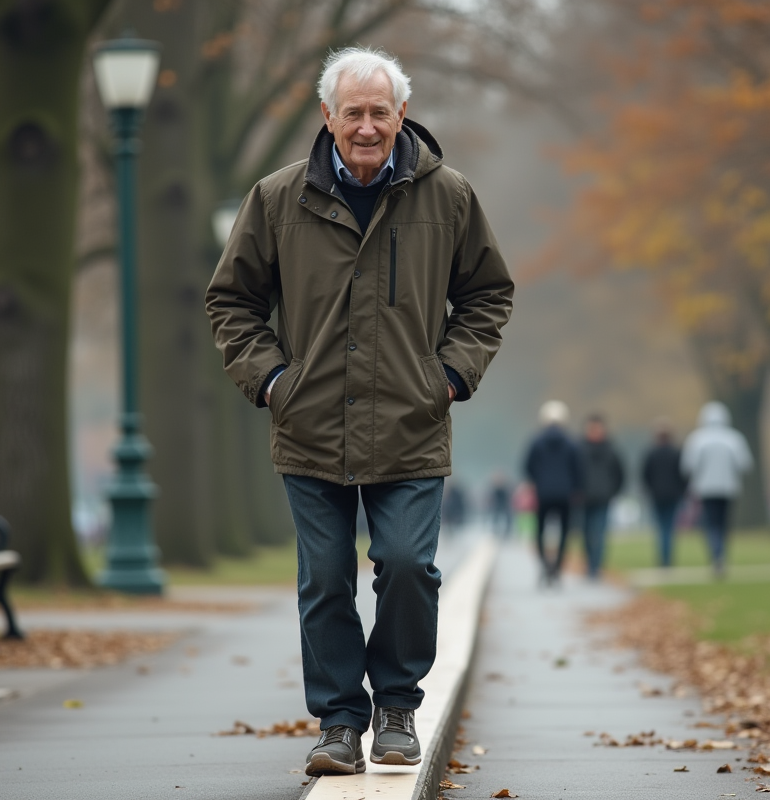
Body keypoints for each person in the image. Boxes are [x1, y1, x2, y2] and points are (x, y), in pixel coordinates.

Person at [205, 48, 513, 777]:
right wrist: (274, 380)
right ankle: (340, 724)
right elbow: (232, 300)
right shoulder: (278, 199)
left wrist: (449, 376)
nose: (367, 127)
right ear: (328, 117)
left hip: (411, 423)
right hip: (309, 426)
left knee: (407, 566)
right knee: (326, 579)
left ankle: (397, 707)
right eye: (354, 113)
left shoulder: (451, 197)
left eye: (380, 112)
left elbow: (488, 296)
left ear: (401, 113)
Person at [680, 401, 753, 578]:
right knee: (724, 522)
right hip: (729, 488)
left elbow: (687, 465)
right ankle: (721, 555)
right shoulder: (734, 438)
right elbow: (746, 464)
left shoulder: (697, 439)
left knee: (711, 523)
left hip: (705, 489)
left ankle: (716, 554)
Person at [523, 400, 583, 586]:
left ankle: (544, 565)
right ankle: (557, 567)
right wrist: (575, 488)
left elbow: (528, 466)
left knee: (540, 531)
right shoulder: (571, 443)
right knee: (564, 532)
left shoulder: (537, 442)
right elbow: (578, 469)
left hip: (543, 493)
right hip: (565, 494)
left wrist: (537, 481)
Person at [579, 414, 624, 580]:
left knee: (600, 531)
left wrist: (613, 491)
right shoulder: (579, 448)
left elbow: (619, 473)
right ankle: (590, 562)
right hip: (584, 498)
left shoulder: (611, 449)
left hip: (604, 497)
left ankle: (595, 566)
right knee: (586, 532)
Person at [641, 421, 686, 567]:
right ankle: (668, 558)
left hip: (657, 495)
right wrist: (681, 491)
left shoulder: (651, 453)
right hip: (673, 495)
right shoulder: (676, 452)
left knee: (661, 528)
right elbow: (683, 475)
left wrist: (650, 490)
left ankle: (663, 558)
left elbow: (645, 475)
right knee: (669, 527)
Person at [487, 472, 513, 539]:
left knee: (507, 517)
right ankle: (495, 531)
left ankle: (507, 533)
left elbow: (508, 497)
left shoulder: (505, 488)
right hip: (496, 506)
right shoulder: (494, 488)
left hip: (504, 505)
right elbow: (491, 498)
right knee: (495, 518)